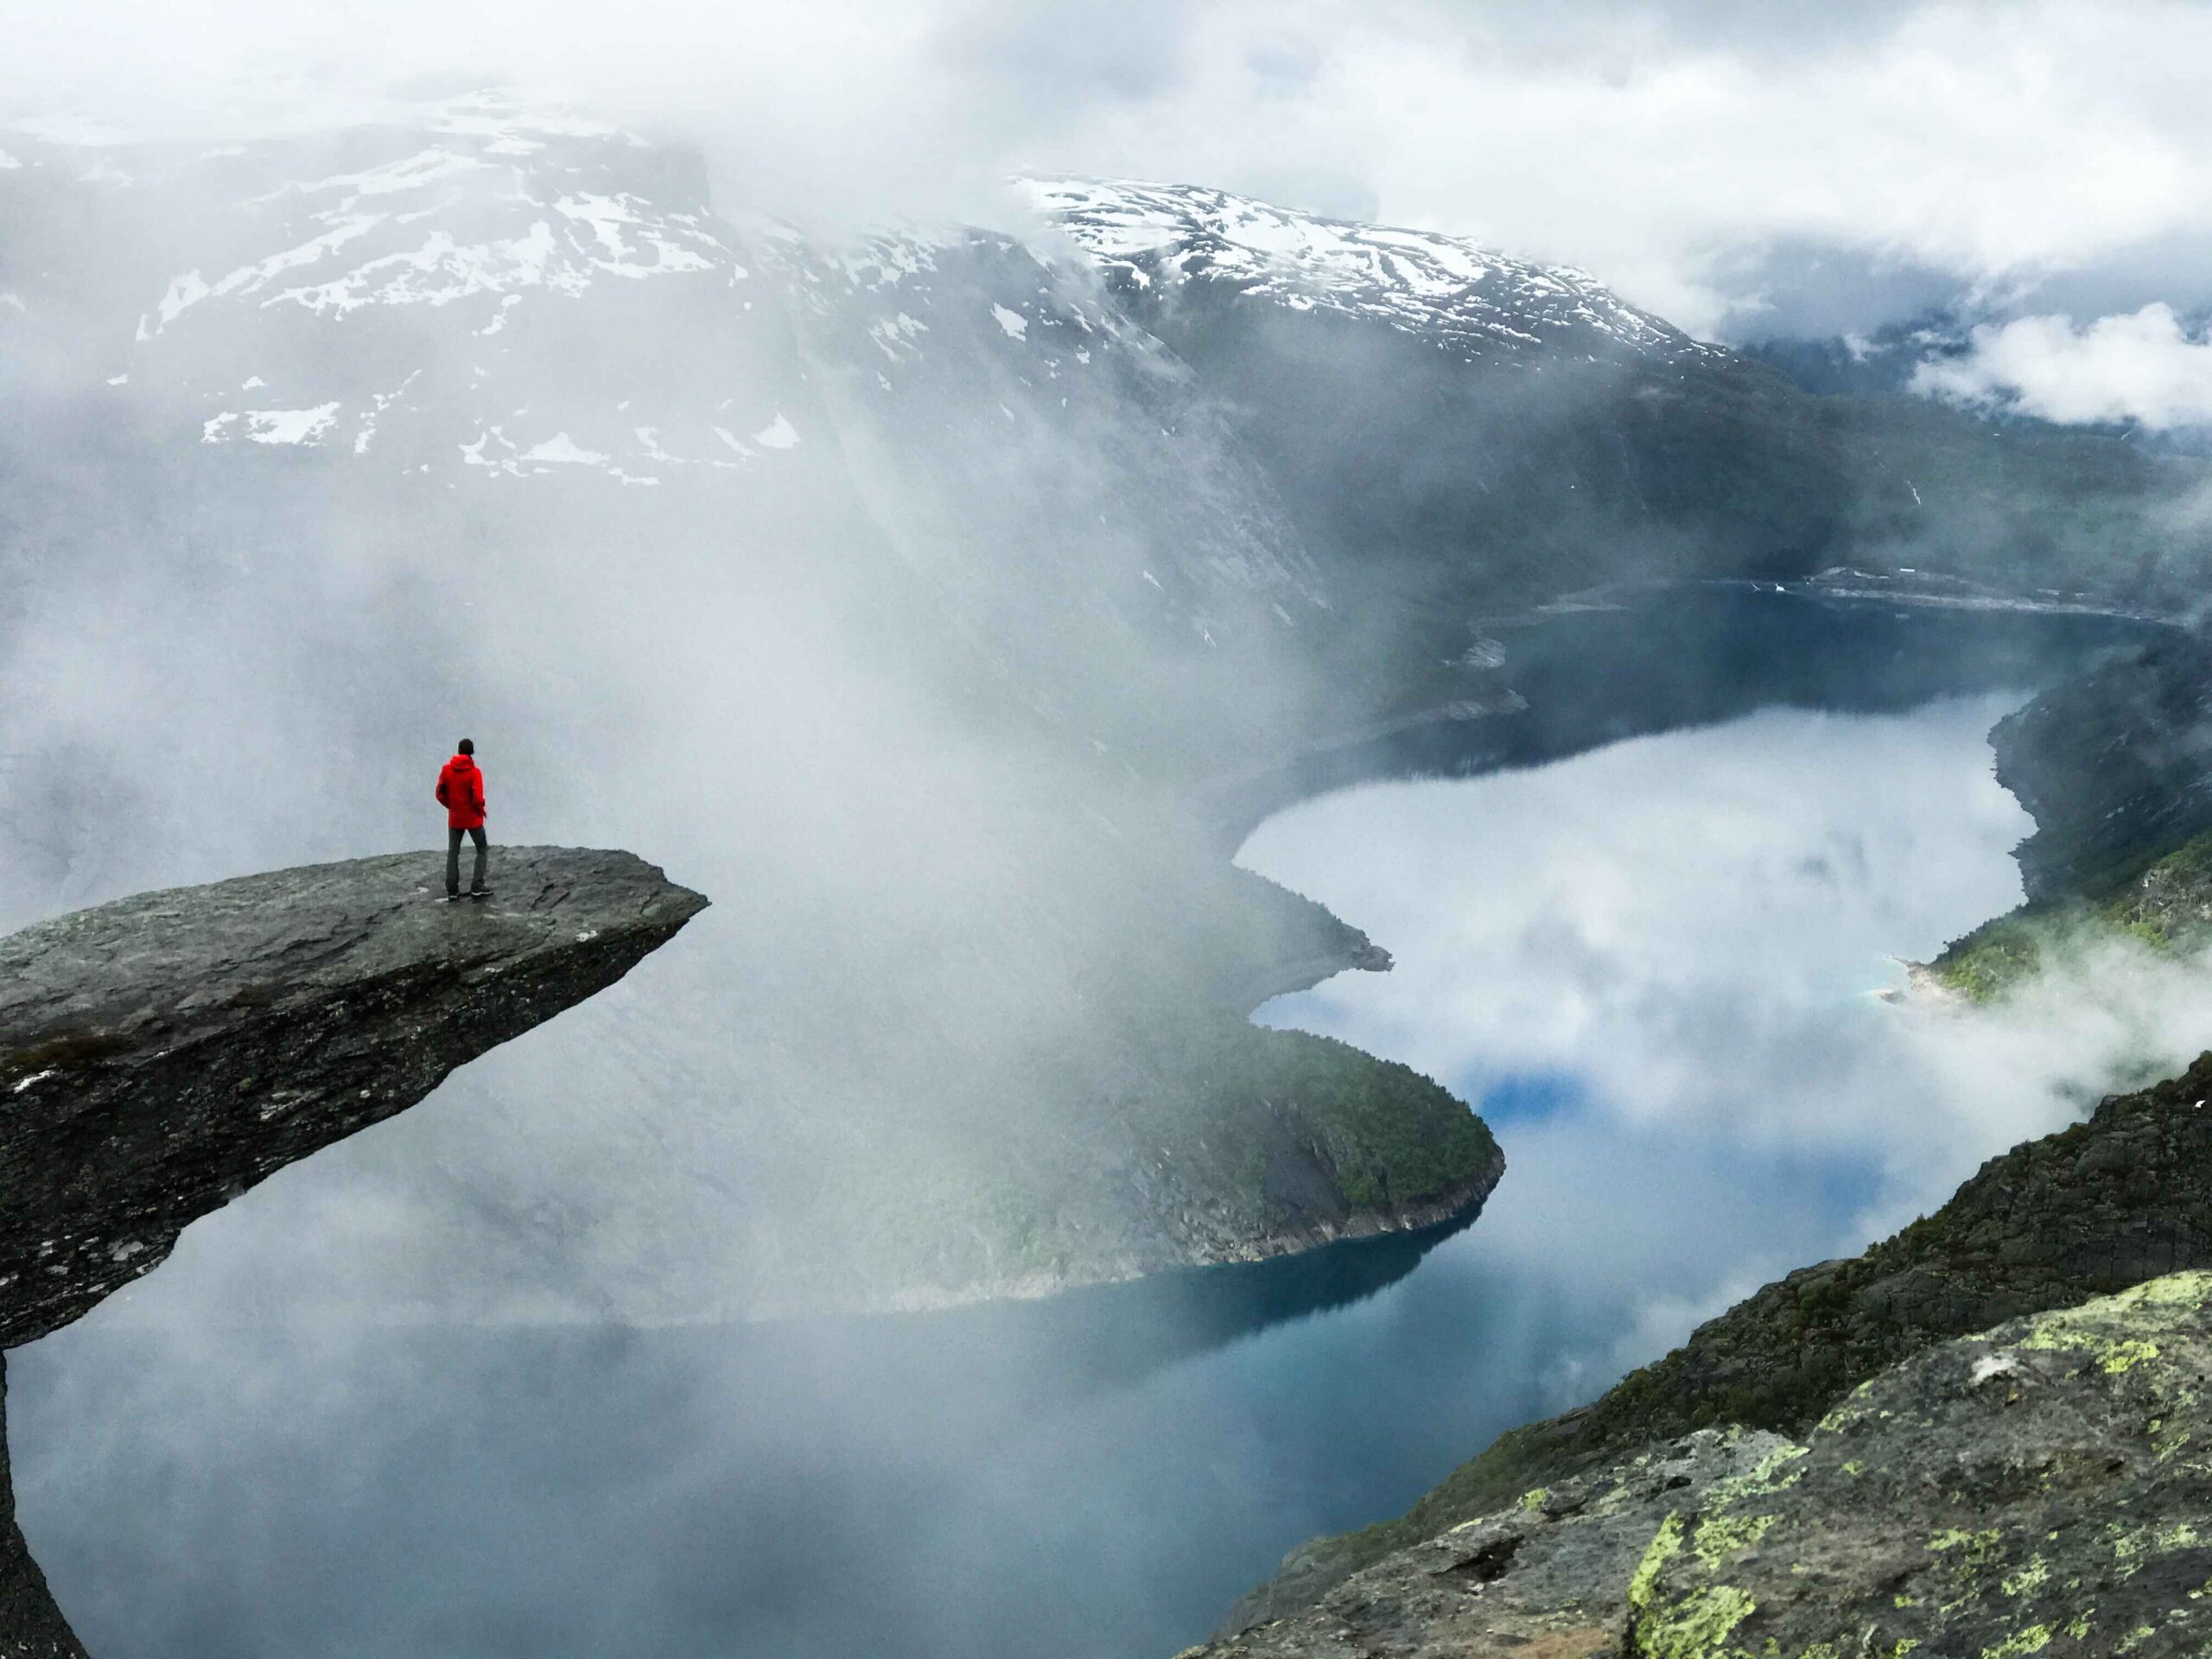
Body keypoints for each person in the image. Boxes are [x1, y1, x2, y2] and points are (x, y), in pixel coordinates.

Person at [435, 739, 490, 899]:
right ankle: (477, 887)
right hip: (472, 818)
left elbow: (440, 793)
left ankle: (452, 890)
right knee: (481, 849)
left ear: (458, 751)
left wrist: (451, 806)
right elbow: (477, 799)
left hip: (455, 818)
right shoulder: (475, 773)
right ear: (471, 753)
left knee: (453, 852)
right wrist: (480, 810)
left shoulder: (446, 770)